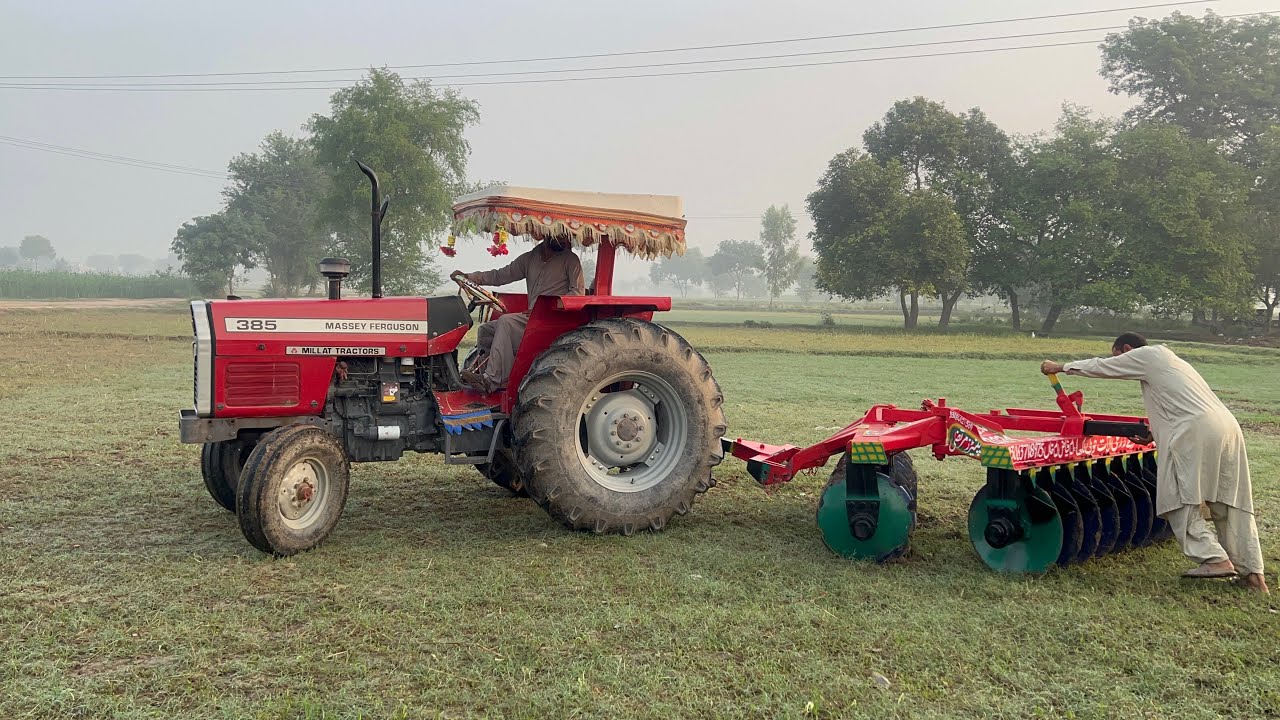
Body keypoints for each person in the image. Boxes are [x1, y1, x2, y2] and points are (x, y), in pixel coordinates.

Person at [1041, 332, 1268, 593]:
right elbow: (1176, 402)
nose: (1119, 361)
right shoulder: (1174, 362)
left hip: (1193, 430)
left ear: (1127, 349)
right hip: (1226, 428)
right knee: (1229, 501)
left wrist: (1060, 367)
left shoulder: (1147, 355)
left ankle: (1213, 558)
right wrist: (1153, 432)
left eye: (1119, 355)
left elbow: (1103, 367)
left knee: (1176, 496)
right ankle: (1253, 574)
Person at [454, 235, 585, 393]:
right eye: (560, 235)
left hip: (553, 319)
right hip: (533, 318)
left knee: (506, 322)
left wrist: (546, 307)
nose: (565, 239)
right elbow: (500, 275)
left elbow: (577, 293)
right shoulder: (530, 258)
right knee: (485, 330)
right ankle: (483, 378)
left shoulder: (570, 260)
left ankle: (493, 380)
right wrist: (469, 277)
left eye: (565, 236)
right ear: (547, 235)